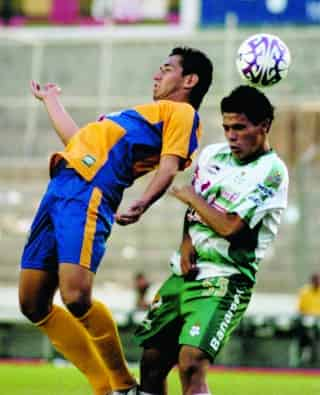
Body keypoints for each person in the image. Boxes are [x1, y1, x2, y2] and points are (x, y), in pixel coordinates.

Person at [18, 46, 213, 395]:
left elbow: (169, 167)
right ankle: (103, 386)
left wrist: (141, 202)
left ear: (190, 80)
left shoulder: (181, 113)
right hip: (60, 185)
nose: (156, 74)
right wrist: (50, 101)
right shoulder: (134, 115)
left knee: (76, 296)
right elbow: (77, 142)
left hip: (90, 192)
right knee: (32, 303)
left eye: (166, 68)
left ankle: (121, 385)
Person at [135, 85, 289, 395]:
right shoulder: (212, 155)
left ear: (264, 126)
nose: (231, 136)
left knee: (191, 362)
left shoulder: (271, 172)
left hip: (226, 279)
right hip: (185, 275)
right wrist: (186, 243)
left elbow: (231, 227)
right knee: (151, 362)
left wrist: (191, 198)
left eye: (240, 128)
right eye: (227, 127)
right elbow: (196, 215)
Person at [296, 273, 320, 365]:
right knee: (303, 337)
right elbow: (300, 308)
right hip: (306, 320)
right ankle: (301, 359)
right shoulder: (305, 291)